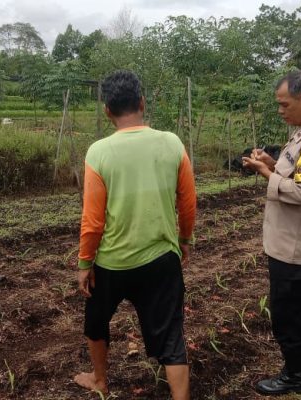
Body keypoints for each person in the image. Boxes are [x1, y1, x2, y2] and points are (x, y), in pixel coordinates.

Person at [74, 70, 197, 400]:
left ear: (107, 111)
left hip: (112, 264)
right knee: (171, 335)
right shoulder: (171, 143)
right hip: (161, 259)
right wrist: (184, 240)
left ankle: (100, 380)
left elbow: (93, 220)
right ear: (142, 103)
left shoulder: (99, 152)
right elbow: (187, 201)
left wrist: (86, 263)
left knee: (96, 322)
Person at [242, 70, 301, 395]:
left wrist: (266, 172)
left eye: (284, 105)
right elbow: (297, 175)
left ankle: (295, 374)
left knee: (288, 311)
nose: (280, 111)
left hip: (294, 248)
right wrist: (272, 162)